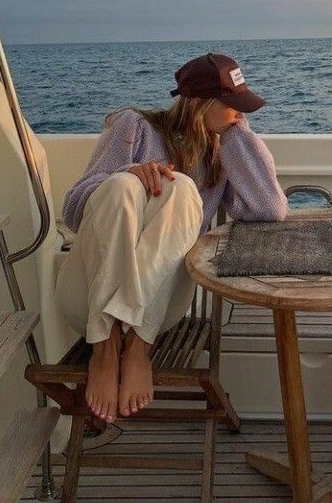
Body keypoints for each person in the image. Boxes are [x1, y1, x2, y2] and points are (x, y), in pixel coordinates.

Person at [55, 53, 288, 424]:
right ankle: (105, 345)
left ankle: (137, 347)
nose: (240, 114)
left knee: (180, 188)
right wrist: (130, 173)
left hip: (156, 308)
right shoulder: (133, 127)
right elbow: (73, 210)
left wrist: (236, 134)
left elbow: (271, 208)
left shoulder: (221, 153)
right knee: (121, 188)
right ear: (200, 103)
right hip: (87, 300)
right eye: (232, 106)